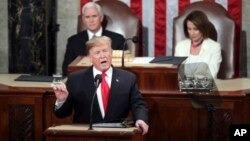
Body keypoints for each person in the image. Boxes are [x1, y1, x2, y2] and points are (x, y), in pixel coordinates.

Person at [53, 36, 149, 135]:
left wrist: (141, 119)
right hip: (85, 136)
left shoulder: (128, 78)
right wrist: (61, 101)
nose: (103, 55)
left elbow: (138, 104)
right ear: (90, 58)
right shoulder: (75, 79)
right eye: (97, 52)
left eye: (105, 51)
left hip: (117, 135)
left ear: (111, 53)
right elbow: (62, 114)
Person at [62, 2, 125, 76]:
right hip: (82, 82)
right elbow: (66, 69)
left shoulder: (118, 39)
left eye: (94, 16)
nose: (91, 20)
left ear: (101, 18)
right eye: (87, 17)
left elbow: (122, 69)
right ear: (83, 19)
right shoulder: (73, 41)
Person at [174, 10, 222, 78]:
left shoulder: (214, 47)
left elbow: (211, 75)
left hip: (205, 87)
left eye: (195, 29)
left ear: (203, 28)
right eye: (189, 29)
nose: (192, 33)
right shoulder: (180, 46)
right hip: (182, 87)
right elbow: (176, 73)